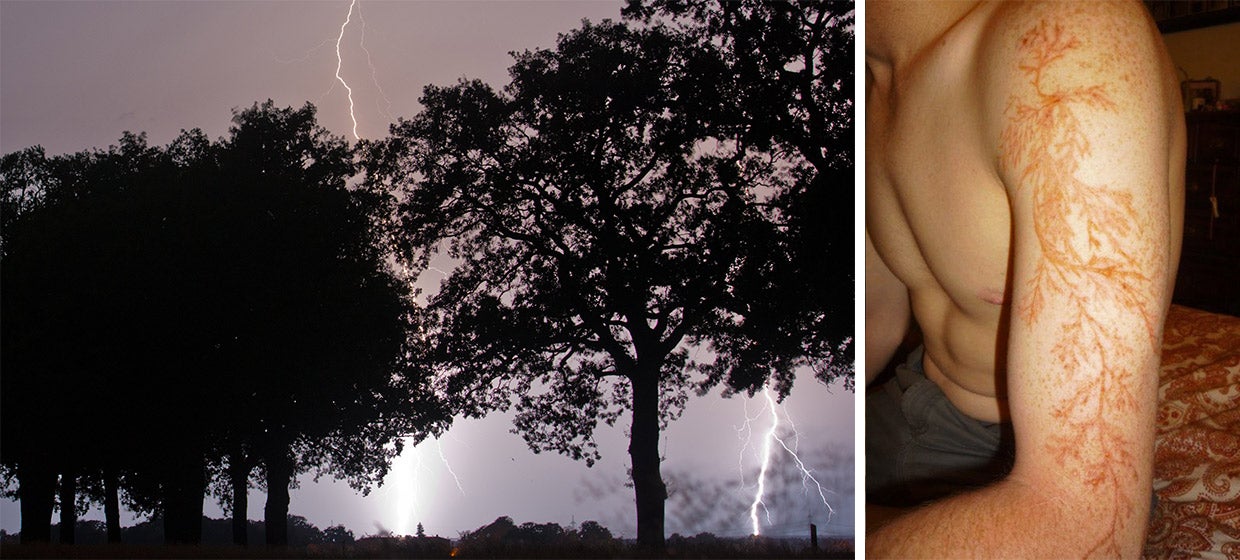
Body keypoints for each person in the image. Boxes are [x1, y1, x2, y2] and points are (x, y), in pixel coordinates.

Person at [864, 1, 1184, 557]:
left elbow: (1081, 526)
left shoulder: (1068, 41)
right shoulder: (876, 80)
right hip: (907, 398)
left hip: (1007, 456)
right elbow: (877, 321)